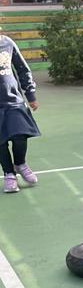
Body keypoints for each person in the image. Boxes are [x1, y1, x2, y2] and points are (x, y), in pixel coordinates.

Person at [1, 30, 41, 194]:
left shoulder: (7, 43)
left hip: (13, 100)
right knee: (1, 142)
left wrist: (30, 94)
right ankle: (9, 174)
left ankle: (20, 163)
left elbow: (22, 69)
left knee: (20, 135)